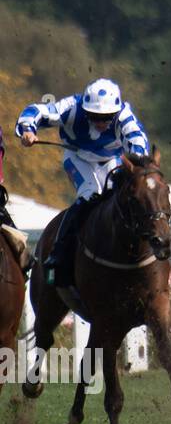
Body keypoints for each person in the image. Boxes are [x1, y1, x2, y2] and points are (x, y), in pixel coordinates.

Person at [14, 78, 151, 285]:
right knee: (90, 194)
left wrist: (138, 165)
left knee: (123, 200)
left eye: (106, 117)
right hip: (78, 158)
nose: (101, 122)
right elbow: (36, 111)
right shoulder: (71, 107)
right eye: (95, 116)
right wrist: (28, 130)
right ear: (85, 110)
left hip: (113, 160)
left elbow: (138, 142)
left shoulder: (124, 116)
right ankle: (58, 252)